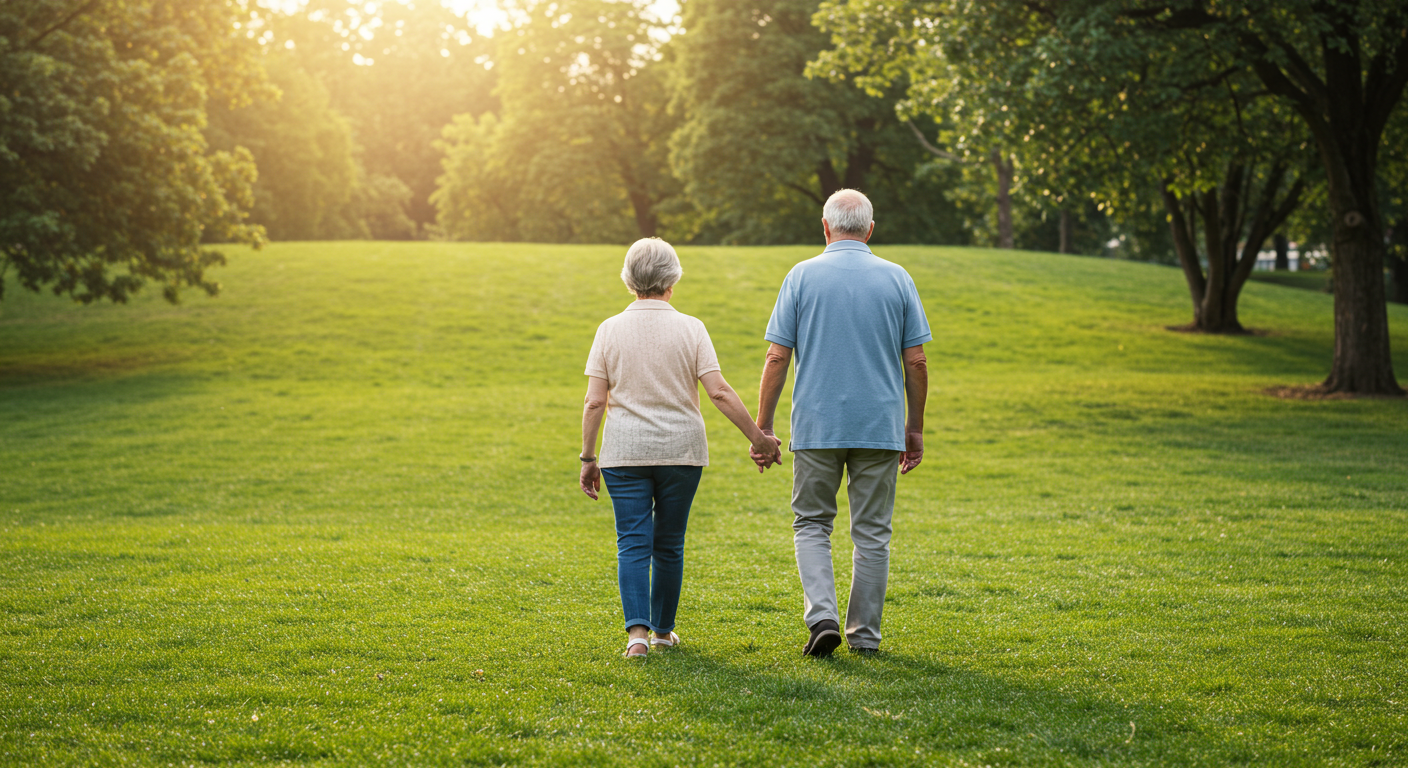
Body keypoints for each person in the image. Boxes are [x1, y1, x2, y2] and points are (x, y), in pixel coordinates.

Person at [580, 237, 782, 658]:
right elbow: (720, 392)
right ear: (672, 280)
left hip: (624, 454)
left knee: (632, 543)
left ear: (629, 280)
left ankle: (636, 636)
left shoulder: (608, 329)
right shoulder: (691, 327)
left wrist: (587, 457)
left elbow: (595, 400)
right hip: (682, 452)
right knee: (669, 543)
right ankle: (662, 632)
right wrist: (759, 438)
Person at [751, 189, 930, 657]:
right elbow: (916, 362)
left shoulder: (801, 276)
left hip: (817, 425)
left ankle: (822, 618)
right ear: (870, 229)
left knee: (811, 523)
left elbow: (776, 355)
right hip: (880, 426)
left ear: (826, 227)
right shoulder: (898, 278)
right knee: (872, 532)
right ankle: (864, 637)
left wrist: (763, 428)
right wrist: (915, 428)